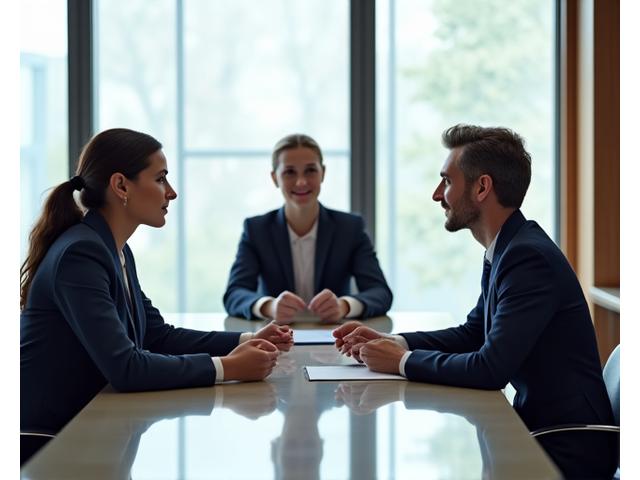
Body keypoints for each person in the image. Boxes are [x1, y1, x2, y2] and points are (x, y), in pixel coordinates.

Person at [333, 124, 617, 478]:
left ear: (482, 187)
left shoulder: (527, 257)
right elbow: (474, 333)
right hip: (536, 433)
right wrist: (394, 342)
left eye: (447, 181)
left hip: (565, 449)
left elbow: (489, 369)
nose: (438, 194)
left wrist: (402, 361)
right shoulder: (509, 248)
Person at [20, 128, 293, 446]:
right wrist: (227, 366)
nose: (171, 192)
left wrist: (249, 339)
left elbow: (155, 335)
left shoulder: (114, 249)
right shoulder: (82, 254)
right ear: (121, 185)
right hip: (47, 442)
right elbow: (126, 369)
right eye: (160, 178)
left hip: (87, 427)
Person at [223, 133, 392, 323]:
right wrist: (269, 307)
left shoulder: (350, 228)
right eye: (289, 172)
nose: (301, 182)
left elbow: (380, 292)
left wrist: (344, 306)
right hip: (273, 341)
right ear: (274, 178)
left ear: (323, 173)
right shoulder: (256, 230)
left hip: (336, 339)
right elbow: (234, 294)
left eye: (310, 170)